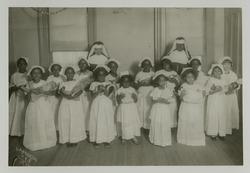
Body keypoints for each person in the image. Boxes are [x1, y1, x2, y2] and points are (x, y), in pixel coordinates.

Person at [23, 66, 57, 151]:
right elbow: (27, 98)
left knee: (44, 121)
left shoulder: (45, 83)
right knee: (34, 122)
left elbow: (51, 93)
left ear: (41, 74)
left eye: (38, 73)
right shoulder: (29, 84)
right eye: (34, 73)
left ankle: (46, 141)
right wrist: (29, 93)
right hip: (33, 105)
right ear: (31, 75)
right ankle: (35, 141)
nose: (36, 74)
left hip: (44, 105)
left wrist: (44, 92)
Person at [89, 65, 117, 148]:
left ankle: (107, 140)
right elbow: (92, 96)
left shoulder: (109, 84)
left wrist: (104, 90)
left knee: (106, 120)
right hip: (96, 104)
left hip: (106, 104)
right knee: (96, 120)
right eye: (99, 75)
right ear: (96, 76)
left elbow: (108, 95)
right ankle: (97, 140)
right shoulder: (93, 84)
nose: (101, 77)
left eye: (103, 75)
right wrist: (97, 91)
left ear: (106, 75)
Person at [58, 66, 87, 146]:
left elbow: (80, 91)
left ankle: (75, 139)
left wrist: (73, 96)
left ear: (74, 74)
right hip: (65, 103)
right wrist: (67, 96)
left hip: (75, 104)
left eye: (71, 72)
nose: (69, 74)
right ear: (65, 74)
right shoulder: (63, 83)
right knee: (66, 120)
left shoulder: (77, 82)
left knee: (75, 120)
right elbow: (61, 91)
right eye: (68, 72)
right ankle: (67, 139)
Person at [177, 67, 206, 146]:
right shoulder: (183, 86)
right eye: (188, 77)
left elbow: (203, 94)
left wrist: (201, 93)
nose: (190, 79)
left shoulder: (198, 86)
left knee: (195, 122)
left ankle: (195, 139)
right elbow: (180, 98)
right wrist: (182, 95)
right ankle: (185, 138)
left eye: (192, 77)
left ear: (195, 77)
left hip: (195, 108)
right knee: (187, 121)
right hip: (186, 107)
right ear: (185, 78)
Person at [149, 71, 173, 147]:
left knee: (164, 123)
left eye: (164, 80)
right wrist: (159, 100)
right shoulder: (155, 89)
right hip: (157, 108)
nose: (162, 82)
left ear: (166, 81)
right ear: (157, 82)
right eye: (160, 80)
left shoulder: (168, 90)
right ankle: (156, 140)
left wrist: (164, 100)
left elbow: (169, 101)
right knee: (157, 122)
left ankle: (165, 140)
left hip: (164, 109)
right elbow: (153, 100)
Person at [116, 71, 141, 144]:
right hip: (123, 108)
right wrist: (120, 97)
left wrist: (135, 97)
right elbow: (118, 101)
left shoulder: (132, 89)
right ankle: (124, 136)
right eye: (124, 82)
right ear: (121, 82)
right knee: (125, 122)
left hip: (131, 107)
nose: (126, 83)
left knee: (132, 122)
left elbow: (136, 100)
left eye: (128, 82)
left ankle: (133, 136)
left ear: (130, 82)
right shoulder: (120, 90)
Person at [220, 56, 241, 135]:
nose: (227, 66)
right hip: (223, 96)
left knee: (232, 111)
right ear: (222, 65)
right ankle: (224, 128)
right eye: (225, 64)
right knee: (225, 111)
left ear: (231, 65)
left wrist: (233, 88)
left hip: (232, 96)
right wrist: (225, 90)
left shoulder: (233, 74)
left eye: (228, 64)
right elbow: (220, 85)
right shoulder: (220, 74)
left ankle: (231, 127)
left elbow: (238, 85)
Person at [205, 64, 227, 140]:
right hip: (213, 100)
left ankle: (221, 133)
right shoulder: (210, 80)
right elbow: (207, 91)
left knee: (221, 115)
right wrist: (214, 90)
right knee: (213, 115)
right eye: (215, 71)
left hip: (221, 100)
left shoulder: (223, 80)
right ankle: (213, 133)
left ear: (221, 72)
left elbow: (226, 90)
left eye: (218, 71)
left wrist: (222, 89)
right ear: (212, 72)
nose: (217, 72)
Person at [9, 57, 29, 137]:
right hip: (17, 97)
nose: (22, 66)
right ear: (18, 65)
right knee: (17, 112)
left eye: (24, 64)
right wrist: (18, 87)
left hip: (26, 96)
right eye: (20, 64)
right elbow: (11, 87)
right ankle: (17, 131)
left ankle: (25, 131)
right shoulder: (14, 75)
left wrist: (25, 87)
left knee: (25, 112)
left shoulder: (29, 75)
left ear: (26, 65)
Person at [135, 57, 155, 132]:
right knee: (141, 108)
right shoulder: (139, 74)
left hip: (150, 91)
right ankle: (141, 125)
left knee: (148, 108)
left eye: (148, 65)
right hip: (142, 91)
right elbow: (136, 85)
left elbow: (156, 83)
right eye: (145, 65)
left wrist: (150, 82)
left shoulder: (153, 73)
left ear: (151, 65)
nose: (146, 66)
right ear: (142, 66)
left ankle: (148, 126)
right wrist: (141, 83)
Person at [75, 57, 93, 132]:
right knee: (79, 111)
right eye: (80, 64)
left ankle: (87, 129)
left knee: (87, 110)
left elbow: (92, 84)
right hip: (78, 94)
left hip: (86, 94)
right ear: (78, 65)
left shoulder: (90, 73)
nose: (82, 65)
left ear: (87, 64)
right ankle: (80, 129)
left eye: (84, 63)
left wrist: (86, 87)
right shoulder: (76, 73)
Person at [46, 63, 65, 131]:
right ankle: (52, 129)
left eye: (57, 69)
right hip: (51, 98)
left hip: (60, 98)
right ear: (51, 70)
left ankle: (59, 128)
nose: (56, 71)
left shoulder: (63, 77)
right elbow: (47, 88)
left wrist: (59, 91)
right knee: (52, 112)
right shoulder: (49, 78)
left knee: (59, 112)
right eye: (54, 70)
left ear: (60, 70)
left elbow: (64, 86)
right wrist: (54, 90)